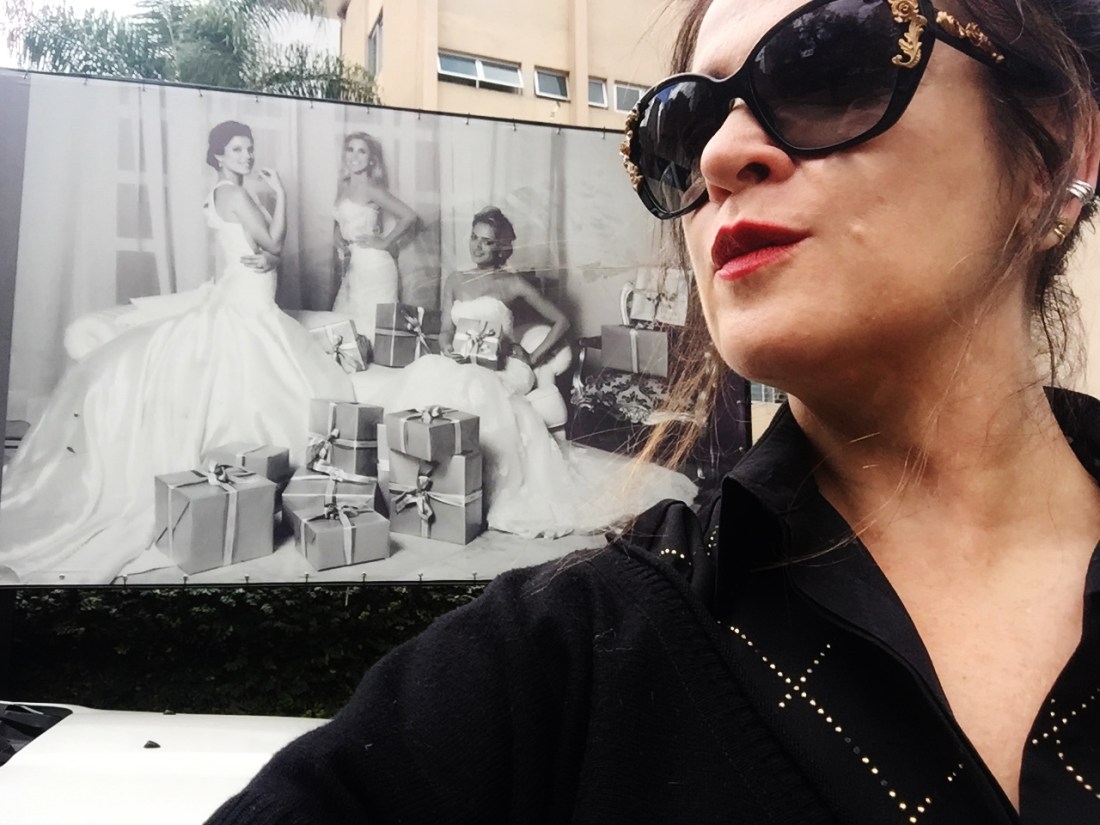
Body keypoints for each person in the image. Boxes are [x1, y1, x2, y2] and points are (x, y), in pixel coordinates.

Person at [206, 0, 1100, 821]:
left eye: (823, 65)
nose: (718, 157)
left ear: (1057, 149)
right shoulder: (559, 658)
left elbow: (547, 323)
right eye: (682, 126)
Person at [0, 121, 352, 584]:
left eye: (249, 148)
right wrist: (282, 198)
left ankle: (248, 486)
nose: (247, 156)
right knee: (260, 376)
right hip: (248, 299)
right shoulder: (234, 193)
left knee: (257, 373)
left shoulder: (219, 193)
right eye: (237, 149)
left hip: (245, 291)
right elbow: (274, 243)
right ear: (219, 156)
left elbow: (252, 250)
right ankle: (252, 482)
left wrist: (269, 258)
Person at [387, 205, 696, 538]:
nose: (477, 247)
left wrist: (532, 357)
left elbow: (562, 321)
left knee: (474, 386)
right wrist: (447, 346)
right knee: (429, 370)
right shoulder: (455, 280)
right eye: (474, 238)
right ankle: (438, 483)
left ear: (501, 247)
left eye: (487, 242)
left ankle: (477, 488)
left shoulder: (511, 283)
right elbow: (445, 331)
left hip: (505, 366)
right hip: (464, 361)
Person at [331, 131, 419, 339]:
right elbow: (342, 218)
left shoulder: (371, 188)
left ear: (371, 160)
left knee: (373, 329)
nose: (355, 156)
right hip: (355, 264)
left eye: (362, 151)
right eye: (350, 149)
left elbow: (409, 216)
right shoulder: (344, 185)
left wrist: (385, 242)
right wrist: (338, 237)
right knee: (347, 329)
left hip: (374, 265)